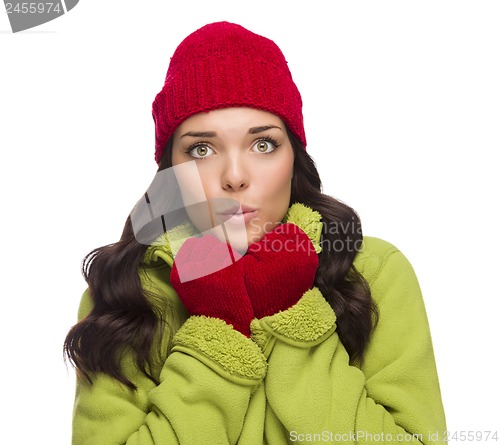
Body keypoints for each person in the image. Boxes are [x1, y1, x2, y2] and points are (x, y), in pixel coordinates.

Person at [64, 21, 447, 444]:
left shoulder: (373, 273)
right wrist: (218, 330)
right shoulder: (126, 292)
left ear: (293, 157)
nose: (234, 176)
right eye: (201, 149)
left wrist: (293, 318)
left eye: (262, 144)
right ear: (172, 171)